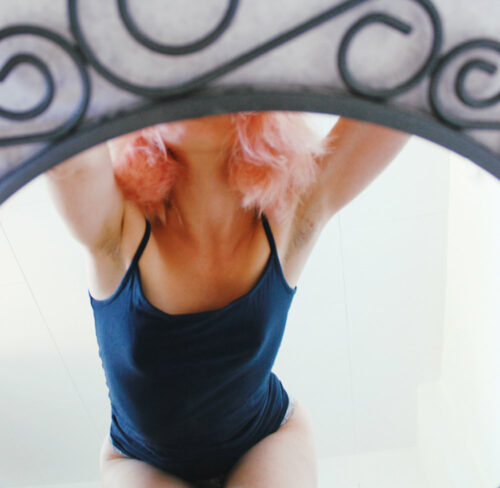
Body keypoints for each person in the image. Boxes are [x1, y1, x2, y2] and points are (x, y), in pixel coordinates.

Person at [46, 112, 409, 488]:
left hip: (265, 437)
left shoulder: (290, 212)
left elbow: (399, 104)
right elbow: (65, 153)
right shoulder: (117, 223)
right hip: (138, 459)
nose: (196, 94)